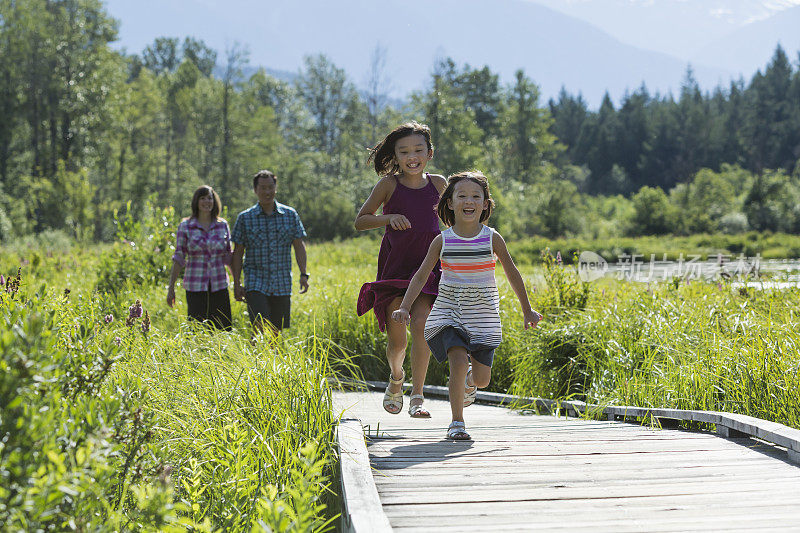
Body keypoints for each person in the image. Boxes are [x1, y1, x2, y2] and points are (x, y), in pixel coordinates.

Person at [392, 171, 542, 440]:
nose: (468, 200)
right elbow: (421, 275)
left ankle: (470, 382)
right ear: (450, 202)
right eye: (462, 195)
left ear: (485, 204)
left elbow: (512, 272)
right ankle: (457, 422)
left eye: (476, 196)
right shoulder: (443, 240)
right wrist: (405, 306)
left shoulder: (492, 238)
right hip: (450, 311)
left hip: (483, 315)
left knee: (482, 379)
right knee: (458, 360)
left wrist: (527, 309)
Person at [355, 122, 447, 418]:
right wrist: (388, 217)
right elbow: (361, 220)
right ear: (395, 155)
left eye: (418, 150)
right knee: (398, 342)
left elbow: (455, 221)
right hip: (396, 272)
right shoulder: (388, 185)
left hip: (428, 271)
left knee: (422, 325)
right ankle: (397, 378)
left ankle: (418, 396)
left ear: (429, 153)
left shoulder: (439, 184)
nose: (412, 156)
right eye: (404, 151)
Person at [231, 169, 309, 334]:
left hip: (281, 281)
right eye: (263, 188)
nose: (267, 192)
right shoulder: (245, 218)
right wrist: (237, 282)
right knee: (259, 325)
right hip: (255, 281)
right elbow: (237, 253)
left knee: (276, 330)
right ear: (255, 190)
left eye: (270, 187)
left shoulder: (290, 215)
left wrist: (304, 274)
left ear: (276, 188)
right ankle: (254, 358)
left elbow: (299, 245)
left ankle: (273, 358)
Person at [167, 185, 233, 330]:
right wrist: (171, 288)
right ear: (196, 202)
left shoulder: (222, 225)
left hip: (219, 284)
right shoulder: (186, 226)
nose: (206, 202)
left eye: (209, 198)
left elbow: (229, 257)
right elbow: (179, 257)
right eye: (202, 198)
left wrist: (238, 284)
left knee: (223, 328)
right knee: (197, 328)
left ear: (214, 201)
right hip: (195, 284)